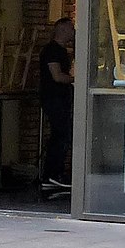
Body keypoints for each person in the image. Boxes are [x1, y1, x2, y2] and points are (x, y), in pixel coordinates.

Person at [39, 17, 75, 194]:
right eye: (71, 29)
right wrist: (76, 79)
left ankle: (53, 176)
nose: (73, 32)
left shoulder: (61, 51)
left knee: (60, 134)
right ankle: (53, 174)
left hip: (60, 99)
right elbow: (57, 76)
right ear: (62, 30)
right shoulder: (52, 51)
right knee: (61, 135)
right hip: (54, 98)